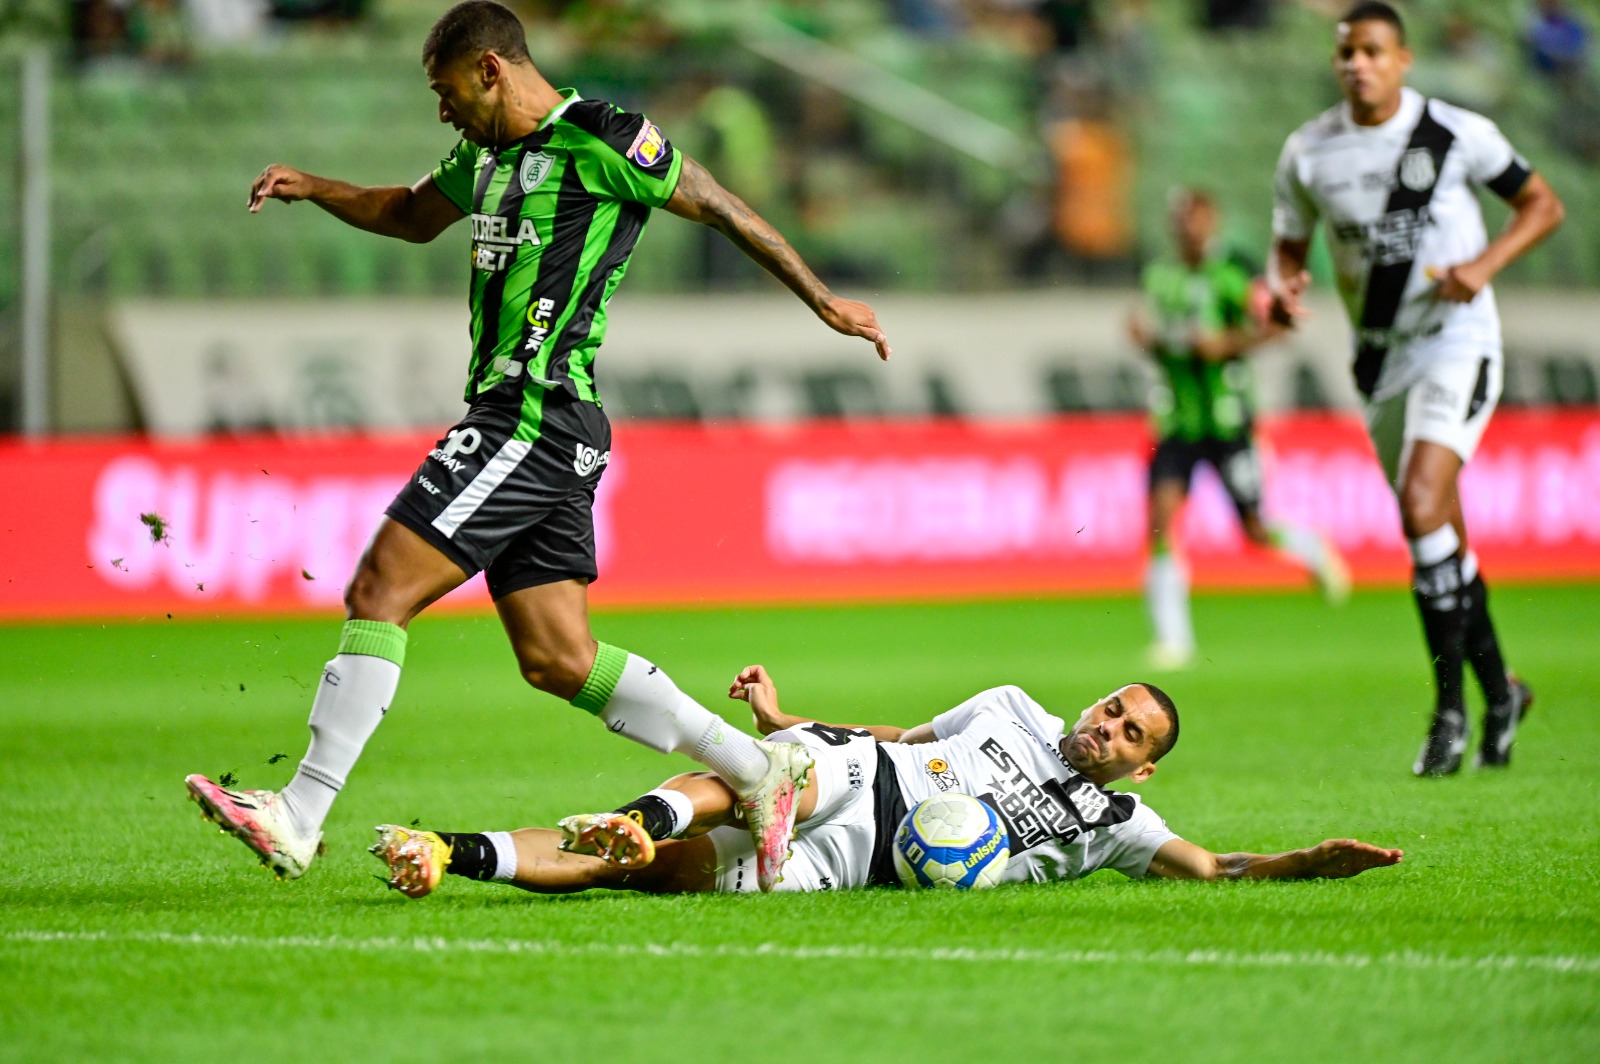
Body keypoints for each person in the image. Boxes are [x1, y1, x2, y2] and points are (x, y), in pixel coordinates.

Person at [184, 0, 891, 893]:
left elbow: (717, 205)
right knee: (559, 659)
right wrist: (314, 186)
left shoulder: (605, 137)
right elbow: (408, 213)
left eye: (446, 90)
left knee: (380, 590)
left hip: (531, 413)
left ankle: (299, 813)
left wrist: (824, 300)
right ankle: (758, 772)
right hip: (549, 425)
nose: (441, 109)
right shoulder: (483, 156)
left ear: (490, 70)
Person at [370, 664, 1403, 898]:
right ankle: (636, 814)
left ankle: (446, 851)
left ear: (1145, 761)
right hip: (869, 778)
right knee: (763, 773)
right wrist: (783, 719)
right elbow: (897, 733)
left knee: (652, 875)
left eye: (1129, 730)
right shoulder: (1010, 705)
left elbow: (1216, 868)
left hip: (855, 866)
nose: (1106, 725)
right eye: (1109, 706)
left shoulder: (1118, 821)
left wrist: (1309, 860)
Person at [1267, 2, 1559, 776]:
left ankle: (1449, 714)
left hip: (1456, 341)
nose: (1357, 64)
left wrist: (1483, 267)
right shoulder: (1309, 150)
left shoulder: (1454, 134)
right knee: (1441, 539)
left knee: (1421, 504)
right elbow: (1288, 246)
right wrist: (1281, 289)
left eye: (1372, 50)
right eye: (1346, 52)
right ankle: (1503, 694)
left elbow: (1543, 204)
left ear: (1403, 59)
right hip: (1379, 360)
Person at [1131, 188, 1349, 670]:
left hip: (1229, 420)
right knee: (1161, 522)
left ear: (1212, 221)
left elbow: (1275, 326)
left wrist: (1226, 343)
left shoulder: (1235, 270)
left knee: (1254, 530)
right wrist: (1145, 339)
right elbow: (1158, 332)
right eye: (1180, 220)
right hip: (1176, 420)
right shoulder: (1160, 276)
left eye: (1195, 218)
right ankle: (1173, 641)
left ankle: (1311, 548)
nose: (1187, 228)